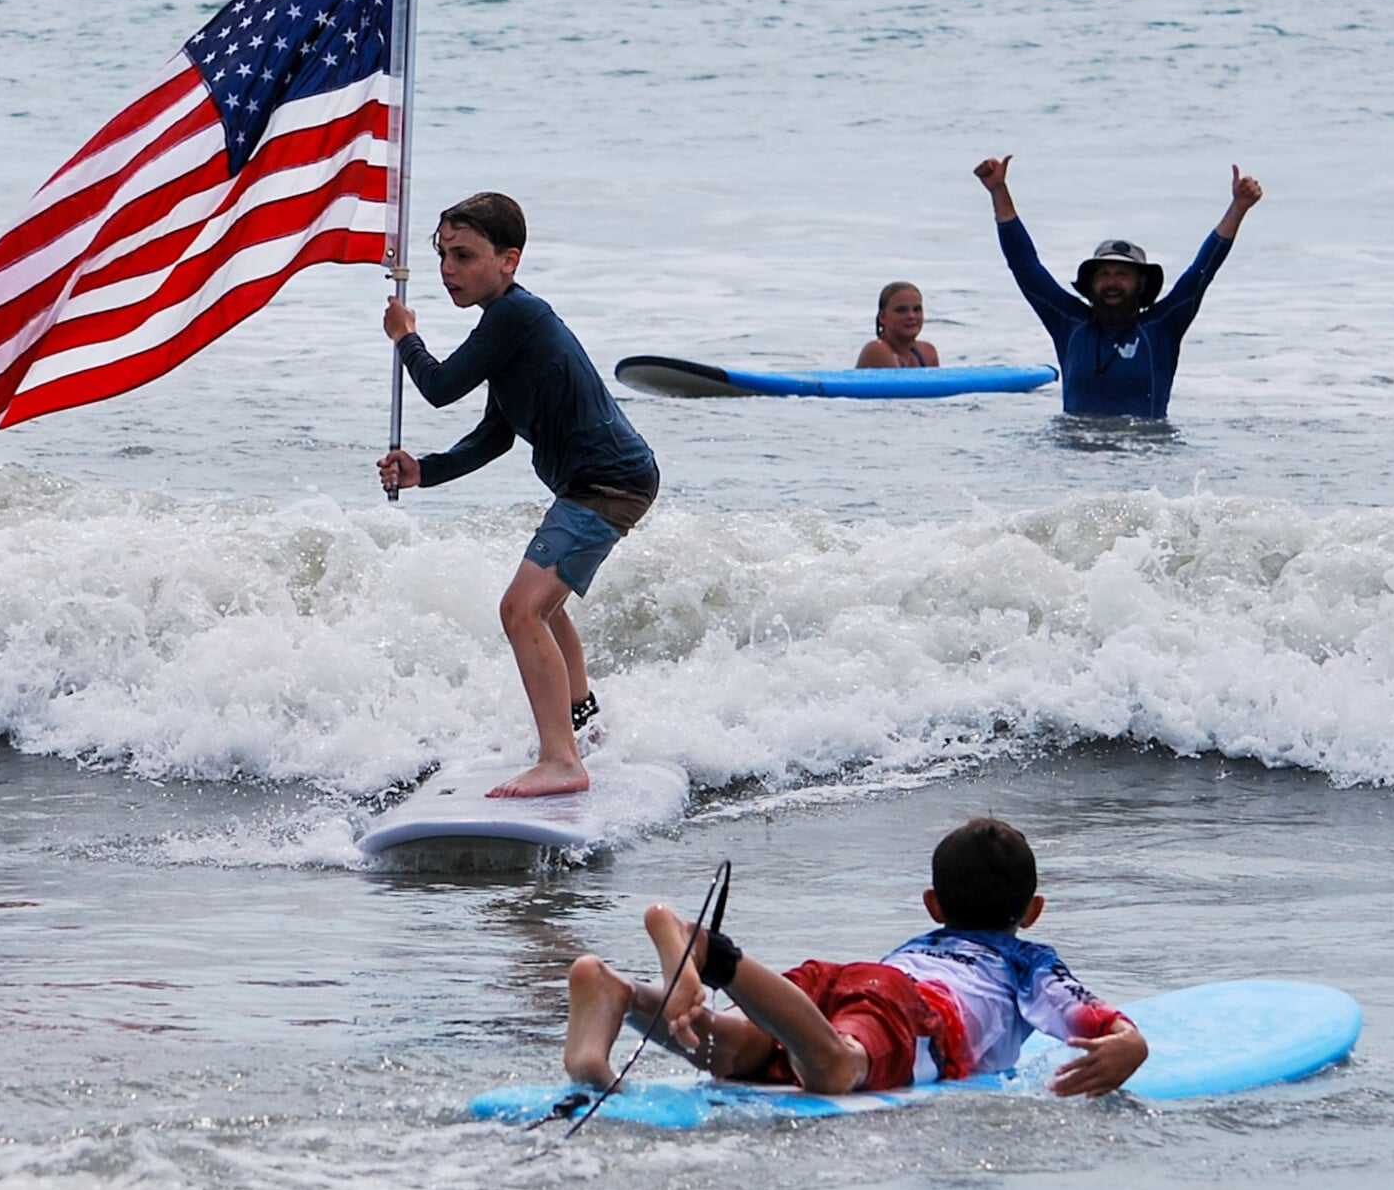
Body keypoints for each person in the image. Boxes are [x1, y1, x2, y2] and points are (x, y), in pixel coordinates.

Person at [378, 191, 659, 800]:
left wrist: (405, 338)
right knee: (544, 607)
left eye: (464, 256)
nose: (448, 269)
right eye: (442, 255)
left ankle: (561, 759)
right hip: (605, 482)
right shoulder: (506, 329)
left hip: (606, 484)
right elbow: (493, 437)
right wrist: (424, 470)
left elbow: (440, 386)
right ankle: (584, 724)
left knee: (520, 610)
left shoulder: (516, 317)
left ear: (509, 260)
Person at [564, 817, 1148, 1098]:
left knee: (730, 1049)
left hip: (844, 982)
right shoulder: (1025, 960)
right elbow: (1097, 1020)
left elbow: (868, 992)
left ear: (933, 905)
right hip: (914, 1012)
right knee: (837, 1067)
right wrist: (1132, 1044)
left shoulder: (920, 945)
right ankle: (709, 951)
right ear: (1034, 910)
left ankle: (618, 992)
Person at [972, 155, 1264, 418]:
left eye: (1123, 274)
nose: (1112, 282)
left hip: (1145, 460)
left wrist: (1238, 208)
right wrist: (999, 191)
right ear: (1091, 283)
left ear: (1141, 284)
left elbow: (1202, 270)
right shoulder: (1069, 323)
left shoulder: (1162, 326)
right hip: (1077, 462)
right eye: (1104, 274)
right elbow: (1025, 267)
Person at [856, 281, 940, 369]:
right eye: (901, 310)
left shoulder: (927, 353)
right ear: (882, 317)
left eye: (917, 309)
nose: (911, 316)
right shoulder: (876, 350)